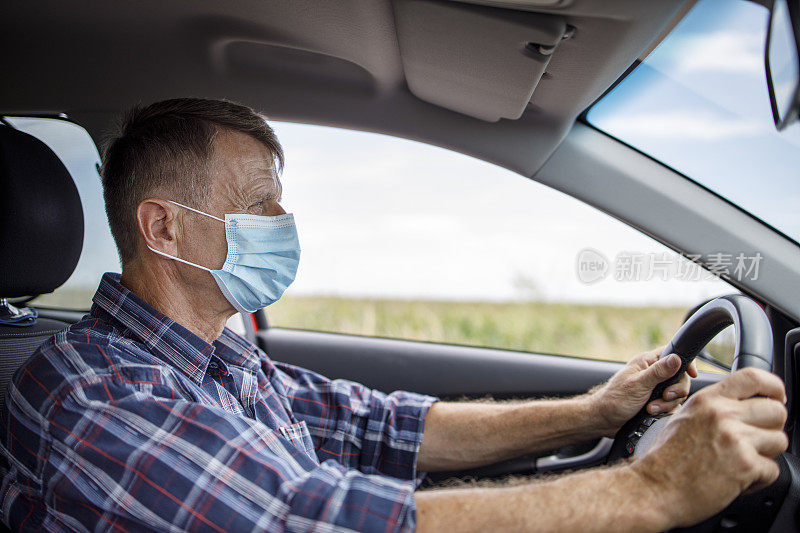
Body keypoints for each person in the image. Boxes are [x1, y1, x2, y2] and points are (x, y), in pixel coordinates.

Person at [0, 98, 787, 532]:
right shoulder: (93, 393)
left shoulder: (221, 355)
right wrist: (651, 487)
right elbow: (305, 519)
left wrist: (590, 411)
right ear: (163, 227)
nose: (283, 219)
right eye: (257, 203)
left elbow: (378, 426)